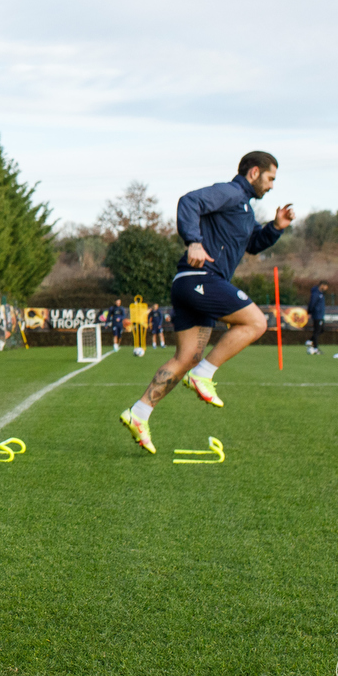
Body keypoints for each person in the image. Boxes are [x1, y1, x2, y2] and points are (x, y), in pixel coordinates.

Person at [120, 152, 294, 454]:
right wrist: (194, 241)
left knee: (186, 356)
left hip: (192, 283)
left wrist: (275, 228)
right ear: (254, 173)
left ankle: (139, 413)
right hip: (199, 277)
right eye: (270, 179)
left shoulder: (244, 210)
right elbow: (189, 201)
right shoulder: (230, 193)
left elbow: (251, 244)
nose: (272, 186)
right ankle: (203, 374)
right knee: (256, 322)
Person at [306, 281, 328, 354]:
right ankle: (315, 348)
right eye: (326, 286)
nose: (326, 288)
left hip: (320, 315)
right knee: (317, 331)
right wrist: (309, 312)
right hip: (317, 315)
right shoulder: (316, 293)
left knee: (321, 330)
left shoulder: (320, 293)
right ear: (322, 285)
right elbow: (312, 303)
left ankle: (310, 341)